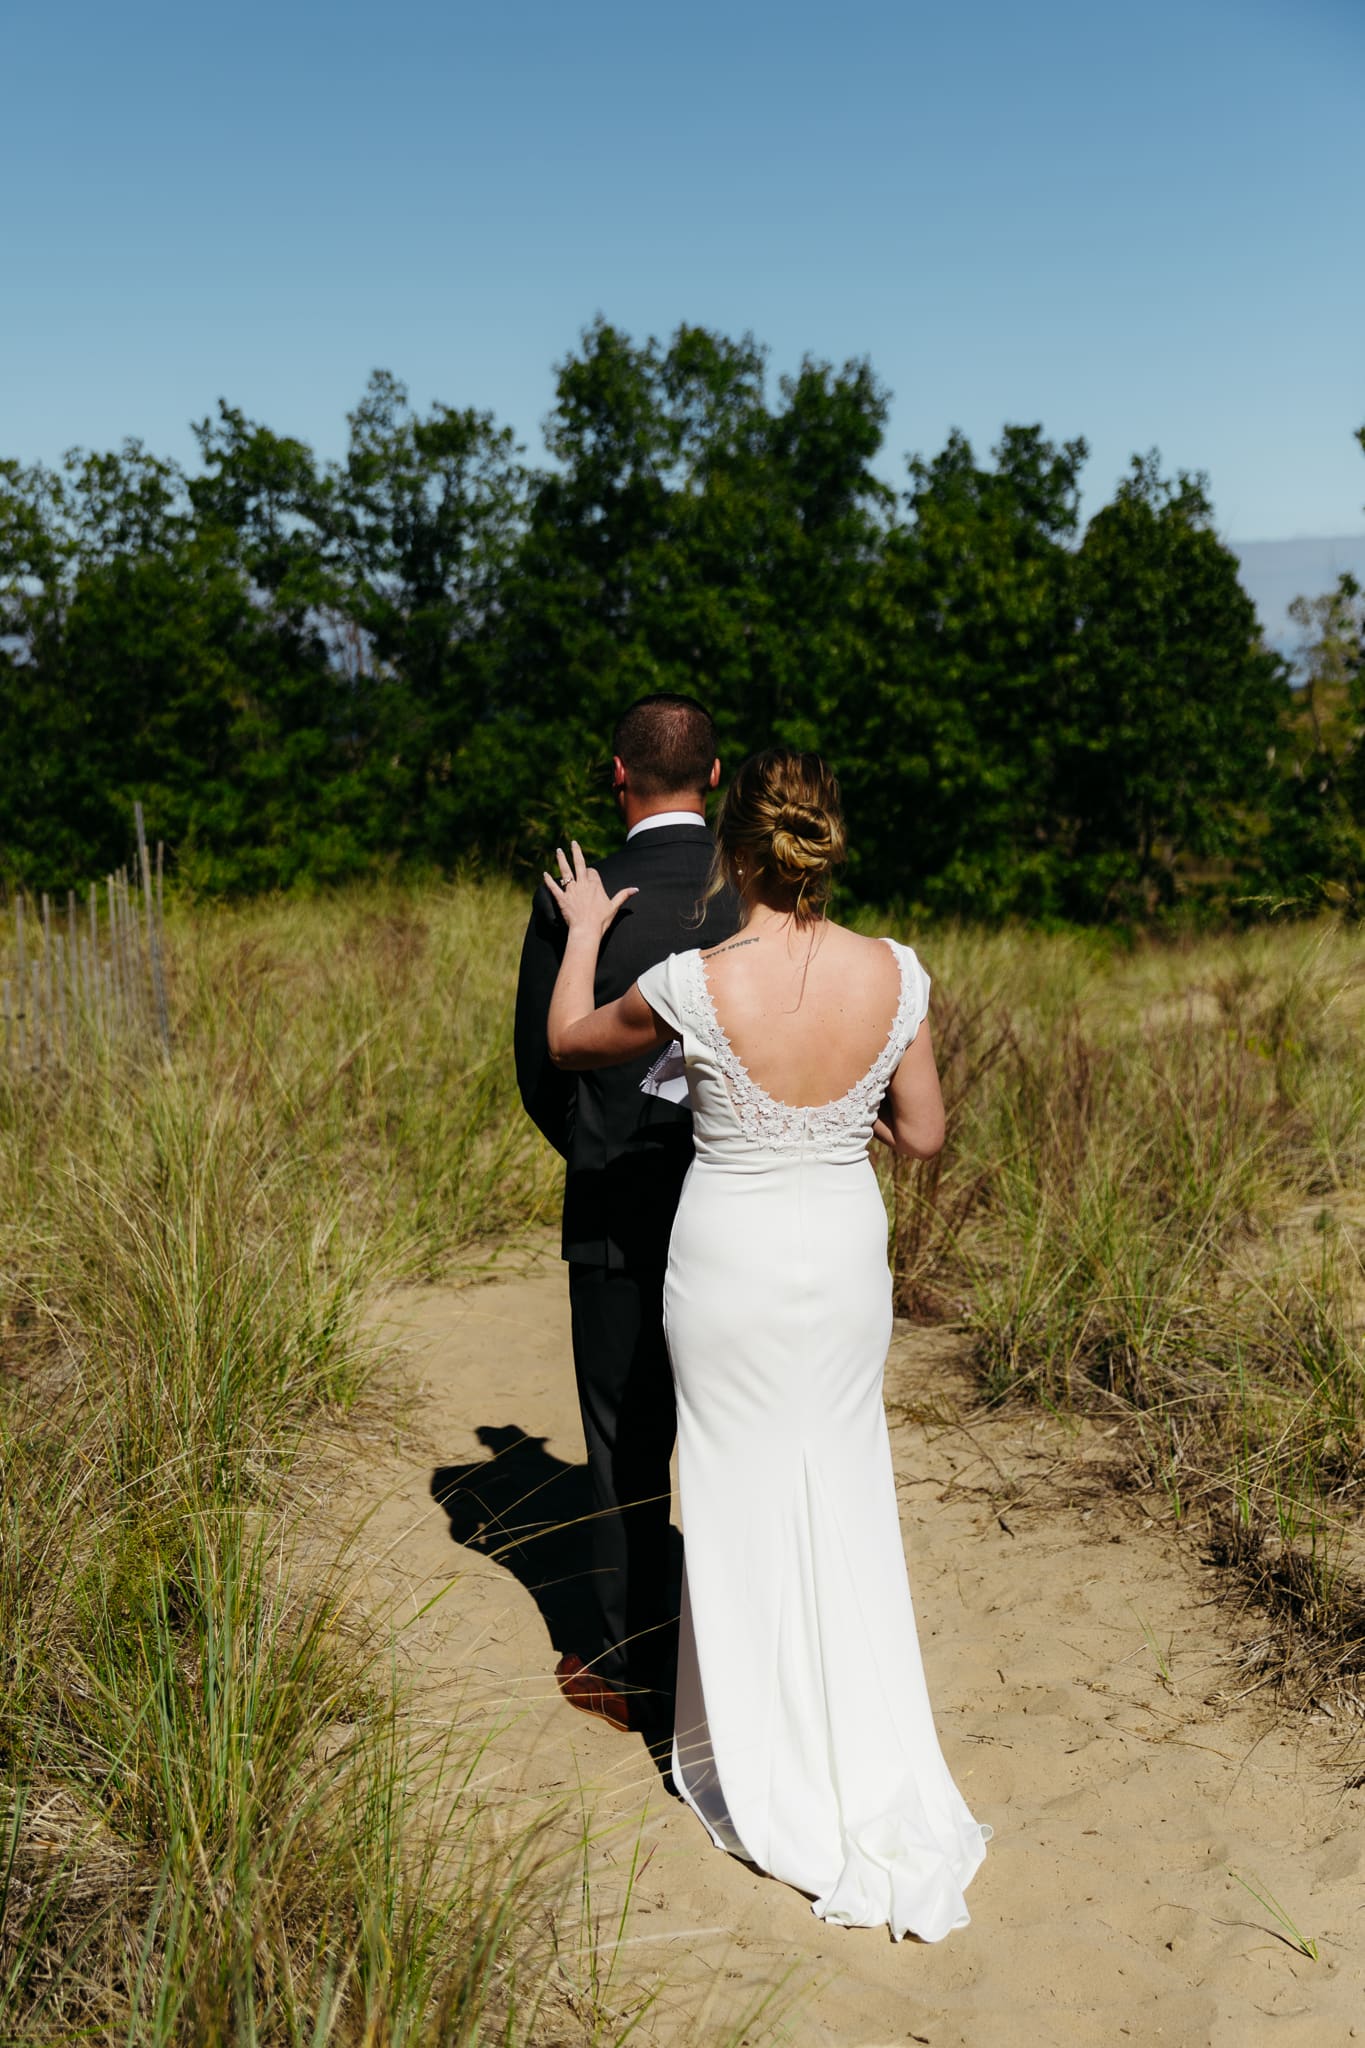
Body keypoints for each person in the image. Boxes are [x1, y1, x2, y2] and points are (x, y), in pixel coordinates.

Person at [540, 746, 990, 1943]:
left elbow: (572, 1042)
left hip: (730, 1250)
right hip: (840, 1248)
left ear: (739, 853)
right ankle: (864, 1736)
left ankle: (758, 1740)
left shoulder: (692, 975)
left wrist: (587, 925)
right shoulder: (897, 973)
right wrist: (853, 1112)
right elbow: (928, 1133)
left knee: (734, 1487)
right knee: (841, 1475)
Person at [514, 694, 738, 1733]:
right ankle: (734, 1645)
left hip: (613, 1203)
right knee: (732, 1425)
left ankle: (631, 1655)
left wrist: (600, 1150)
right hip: (742, 1208)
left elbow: (539, 1063)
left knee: (621, 1433)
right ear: (717, 773)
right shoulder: (757, 894)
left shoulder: (583, 896)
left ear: (618, 775)